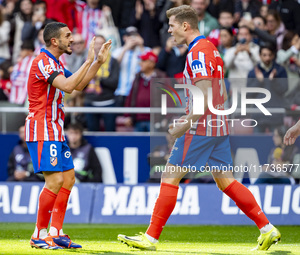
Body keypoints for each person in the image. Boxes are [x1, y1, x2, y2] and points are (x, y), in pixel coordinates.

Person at [118, 5, 280, 252]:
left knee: (170, 176)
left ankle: (150, 238)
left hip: (201, 126)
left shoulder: (198, 53)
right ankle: (267, 228)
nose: (169, 30)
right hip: (217, 125)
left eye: (172, 25)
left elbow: (204, 94)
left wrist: (186, 122)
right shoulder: (210, 50)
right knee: (226, 181)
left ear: (185, 25)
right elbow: (220, 91)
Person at [25, 22, 111, 250]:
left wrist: (98, 62)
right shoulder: (42, 61)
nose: (72, 39)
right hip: (42, 128)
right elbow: (69, 86)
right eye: (68, 35)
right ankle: (39, 234)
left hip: (55, 128)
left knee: (69, 179)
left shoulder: (55, 63)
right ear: (55, 41)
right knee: (54, 181)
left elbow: (80, 84)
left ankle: (56, 232)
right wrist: (88, 58)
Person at [247, 43, 288, 133]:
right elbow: (248, 94)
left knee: (278, 146)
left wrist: (273, 80)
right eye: (264, 55)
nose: (267, 58)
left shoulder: (280, 70)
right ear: (259, 55)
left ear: (273, 55)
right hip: (258, 116)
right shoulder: (253, 72)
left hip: (275, 116)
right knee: (257, 145)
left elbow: (284, 89)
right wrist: (259, 81)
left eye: (269, 55)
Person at [84, 35, 119, 131]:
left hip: (108, 102)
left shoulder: (113, 61)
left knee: (110, 133)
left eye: (102, 44)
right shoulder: (87, 61)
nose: (99, 46)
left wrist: (98, 78)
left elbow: (114, 83)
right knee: (92, 133)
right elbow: (80, 82)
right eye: (97, 43)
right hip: (91, 102)